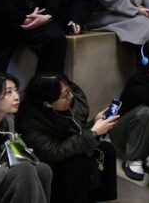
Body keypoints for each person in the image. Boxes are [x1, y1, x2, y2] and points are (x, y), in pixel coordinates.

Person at [15, 74, 118, 203]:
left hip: (68, 150)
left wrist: (94, 124)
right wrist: (93, 133)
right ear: (48, 104)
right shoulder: (30, 122)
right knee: (80, 162)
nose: (71, 96)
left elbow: (76, 131)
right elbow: (55, 150)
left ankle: (95, 198)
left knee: (106, 150)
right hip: (52, 164)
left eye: (70, 90)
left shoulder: (71, 104)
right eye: (65, 95)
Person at [0, 73, 52, 202]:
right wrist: (8, 160)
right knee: (25, 170)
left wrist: (21, 154)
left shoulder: (7, 122)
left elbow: (12, 156)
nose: (16, 97)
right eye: (8, 92)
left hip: (0, 178)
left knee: (43, 169)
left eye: (16, 90)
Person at [111, 38, 149, 181]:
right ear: (145, 59)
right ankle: (133, 159)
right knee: (146, 110)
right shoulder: (138, 79)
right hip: (121, 131)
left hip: (145, 134)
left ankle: (148, 153)